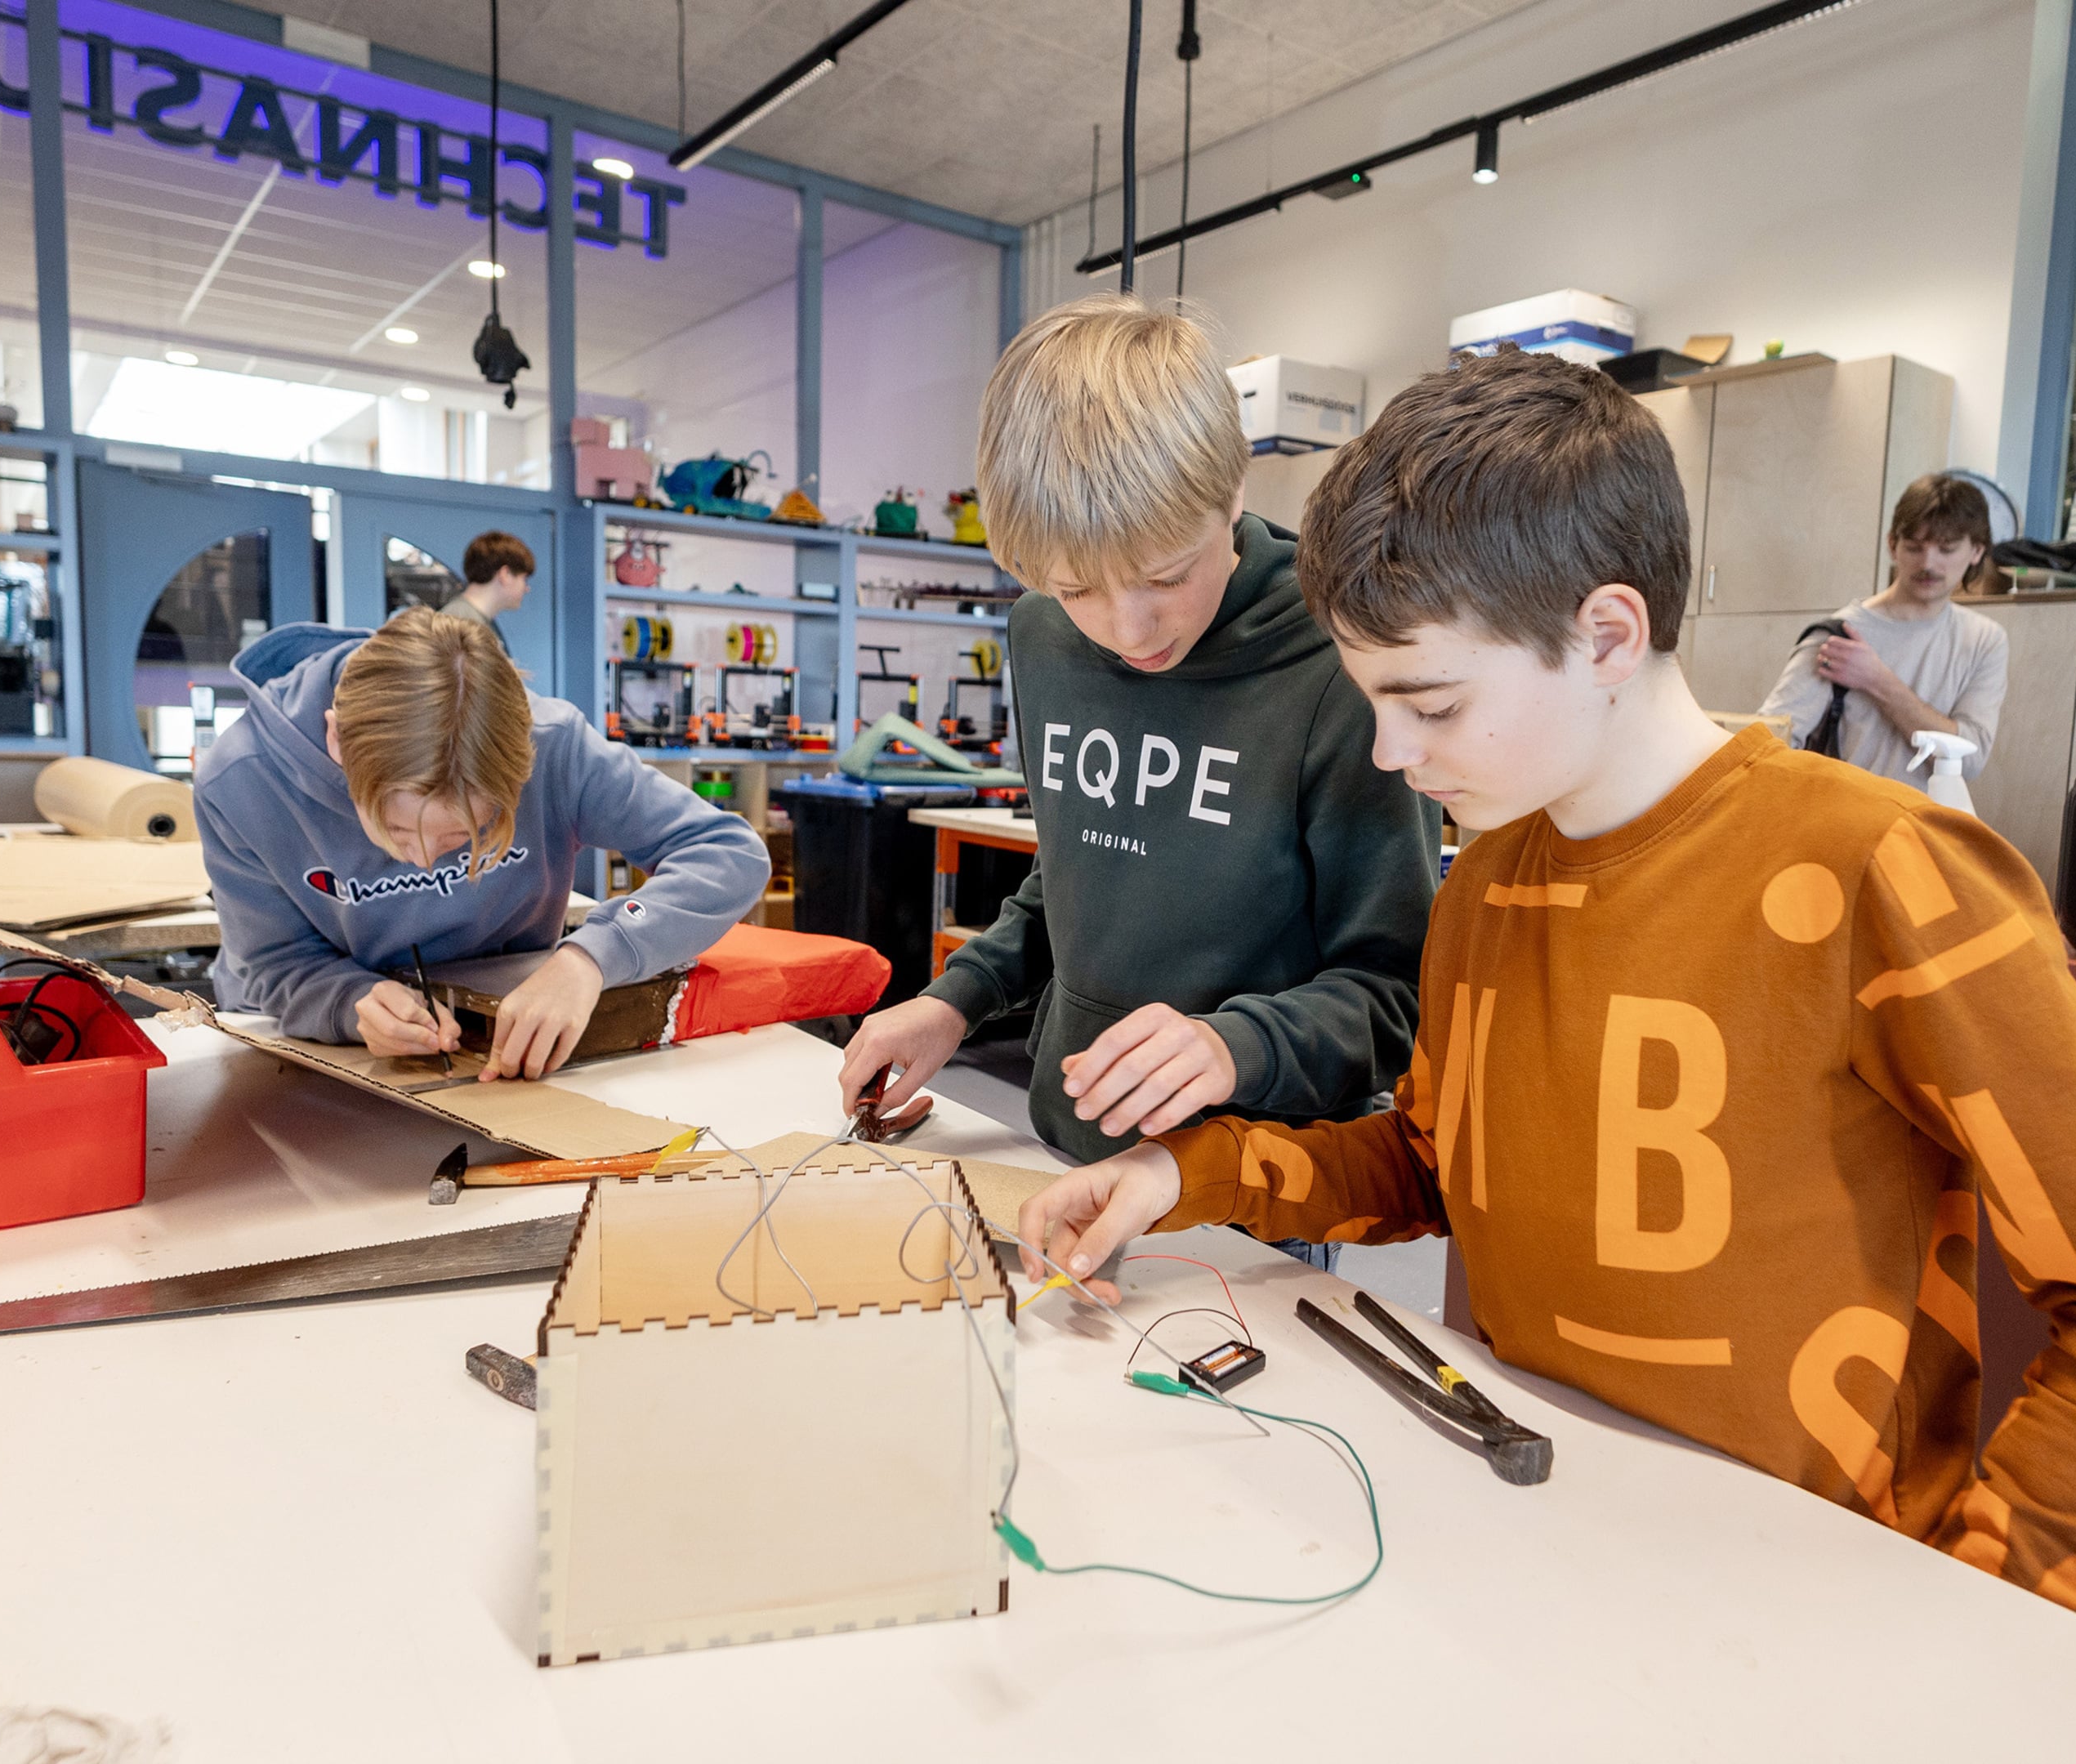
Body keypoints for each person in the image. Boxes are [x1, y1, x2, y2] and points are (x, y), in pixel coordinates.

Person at [1019, 349, 2076, 1622]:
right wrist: (1182, 1172)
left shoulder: (1885, 868)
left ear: (1607, 634)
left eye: (1430, 703)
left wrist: (1987, 1614)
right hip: (1545, 1552)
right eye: (1373, 703)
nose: (1391, 752)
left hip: (1814, 1606)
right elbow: (1436, 1164)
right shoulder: (1487, 878)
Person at [833, 293, 1442, 1167]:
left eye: (1167, 575)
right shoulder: (1042, 636)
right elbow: (1078, 875)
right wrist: (958, 998)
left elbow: (1395, 992)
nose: (1128, 629)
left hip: (1259, 1180)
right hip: (1068, 1146)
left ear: (1232, 491)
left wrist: (1234, 1046)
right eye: (1076, 587)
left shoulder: (1340, 661)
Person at [196, 607, 767, 1077]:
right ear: (337, 743)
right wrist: (349, 1002)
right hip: (306, 1061)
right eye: (397, 831)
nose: (424, 860)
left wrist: (591, 958)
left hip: (503, 1047)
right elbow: (275, 962)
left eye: (463, 837)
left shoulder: (554, 745)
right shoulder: (240, 780)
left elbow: (727, 853)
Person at [1758, 474, 2008, 792]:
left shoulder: (1985, 640)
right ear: (1893, 545)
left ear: (1976, 552)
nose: (1928, 563)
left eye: (1947, 549)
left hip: (1926, 819)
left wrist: (1877, 680)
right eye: (1914, 547)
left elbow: (1969, 761)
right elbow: (1769, 741)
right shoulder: (1840, 636)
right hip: (1847, 815)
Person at [439, 530, 536, 632]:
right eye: (524, 579)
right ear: (505, 575)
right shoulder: (459, 624)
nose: (527, 588)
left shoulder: (466, 619)